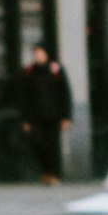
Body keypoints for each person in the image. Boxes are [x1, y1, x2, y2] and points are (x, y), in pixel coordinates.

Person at [17, 46, 74, 184]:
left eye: (40, 53)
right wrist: (25, 119)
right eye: (35, 53)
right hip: (36, 116)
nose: (37, 56)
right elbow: (24, 96)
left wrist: (66, 116)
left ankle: (53, 173)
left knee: (52, 145)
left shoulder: (56, 70)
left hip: (53, 115)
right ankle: (44, 171)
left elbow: (64, 93)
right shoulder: (29, 72)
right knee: (38, 144)